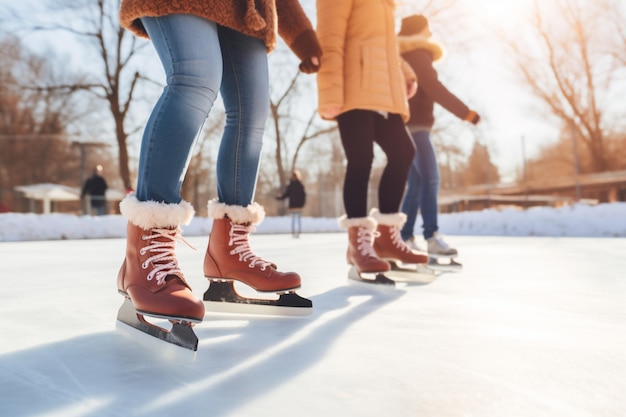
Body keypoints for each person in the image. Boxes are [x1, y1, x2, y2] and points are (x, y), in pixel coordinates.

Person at [116, 0, 323, 345]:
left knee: (252, 115)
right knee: (194, 80)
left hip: (247, 9)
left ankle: (229, 251)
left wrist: (302, 35)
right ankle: (145, 254)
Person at [316, 0, 428, 281]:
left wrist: (404, 72)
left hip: (382, 89)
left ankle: (386, 239)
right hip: (353, 86)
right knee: (361, 158)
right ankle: (358, 244)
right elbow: (329, 37)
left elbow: (384, 43)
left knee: (403, 151)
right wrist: (330, 93)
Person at [397, 15, 481, 257]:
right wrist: (466, 113)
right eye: (427, 30)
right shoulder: (418, 54)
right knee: (431, 179)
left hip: (404, 126)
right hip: (417, 129)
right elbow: (435, 89)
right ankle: (431, 236)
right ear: (418, 32)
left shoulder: (401, 56)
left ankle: (404, 237)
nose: (430, 35)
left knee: (416, 184)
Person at [276, 169, 306, 238]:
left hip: (298, 206)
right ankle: (293, 233)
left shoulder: (300, 185)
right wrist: (279, 198)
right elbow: (286, 194)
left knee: (298, 220)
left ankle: (298, 233)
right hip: (293, 206)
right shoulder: (291, 185)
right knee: (293, 220)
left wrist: (302, 204)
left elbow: (303, 196)